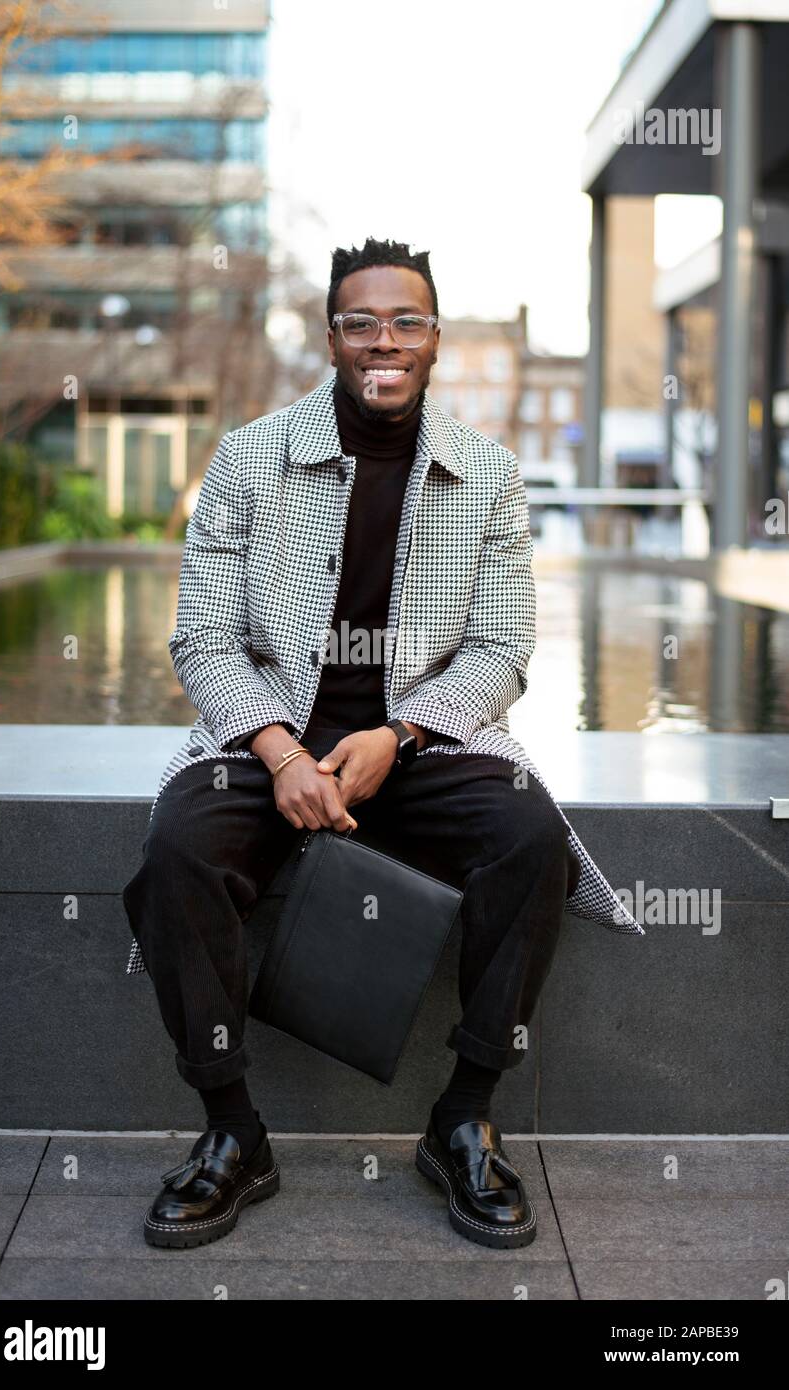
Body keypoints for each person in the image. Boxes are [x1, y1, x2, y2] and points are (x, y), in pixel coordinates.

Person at [123, 236, 642, 1254]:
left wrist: (398, 734)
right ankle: (233, 1131)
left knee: (527, 836)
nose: (384, 340)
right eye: (361, 322)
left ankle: (464, 1114)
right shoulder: (247, 458)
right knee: (182, 843)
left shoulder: (486, 475)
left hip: (424, 738)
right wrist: (276, 752)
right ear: (331, 338)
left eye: (405, 321)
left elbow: (501, 648)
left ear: (435, 339)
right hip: (267, 725)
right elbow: (202, 637)